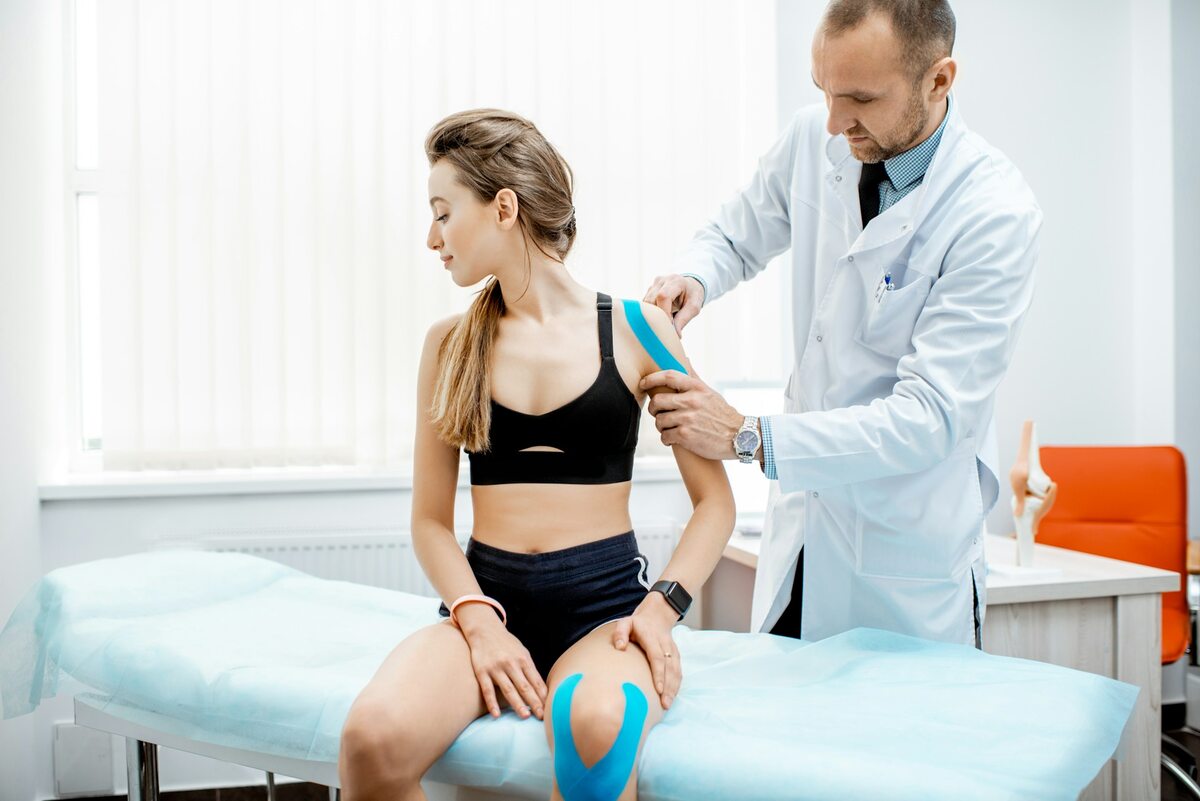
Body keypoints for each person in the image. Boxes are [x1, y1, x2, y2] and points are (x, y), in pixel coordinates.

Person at [337, 109, 735, 801]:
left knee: (597, 729)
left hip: (605, 609)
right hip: (486, 603)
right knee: (371, 737)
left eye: (442, 212)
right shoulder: (449, 345)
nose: (432, 237)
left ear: (503, 207)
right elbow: (430, 521)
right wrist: (476, 616)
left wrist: (661, 609)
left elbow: (715, 504)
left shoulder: (642, 330)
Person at [641, 0, 1042, 647]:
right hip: (802, 539)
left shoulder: (993, 212)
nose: (833, 120)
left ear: (939, 80)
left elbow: (928, 418)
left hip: (901, 568)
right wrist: (696, 276)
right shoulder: (817, 137)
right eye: (823, 91)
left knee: (891, 744)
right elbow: (735, 235)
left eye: (858, 97)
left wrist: (749, 437)